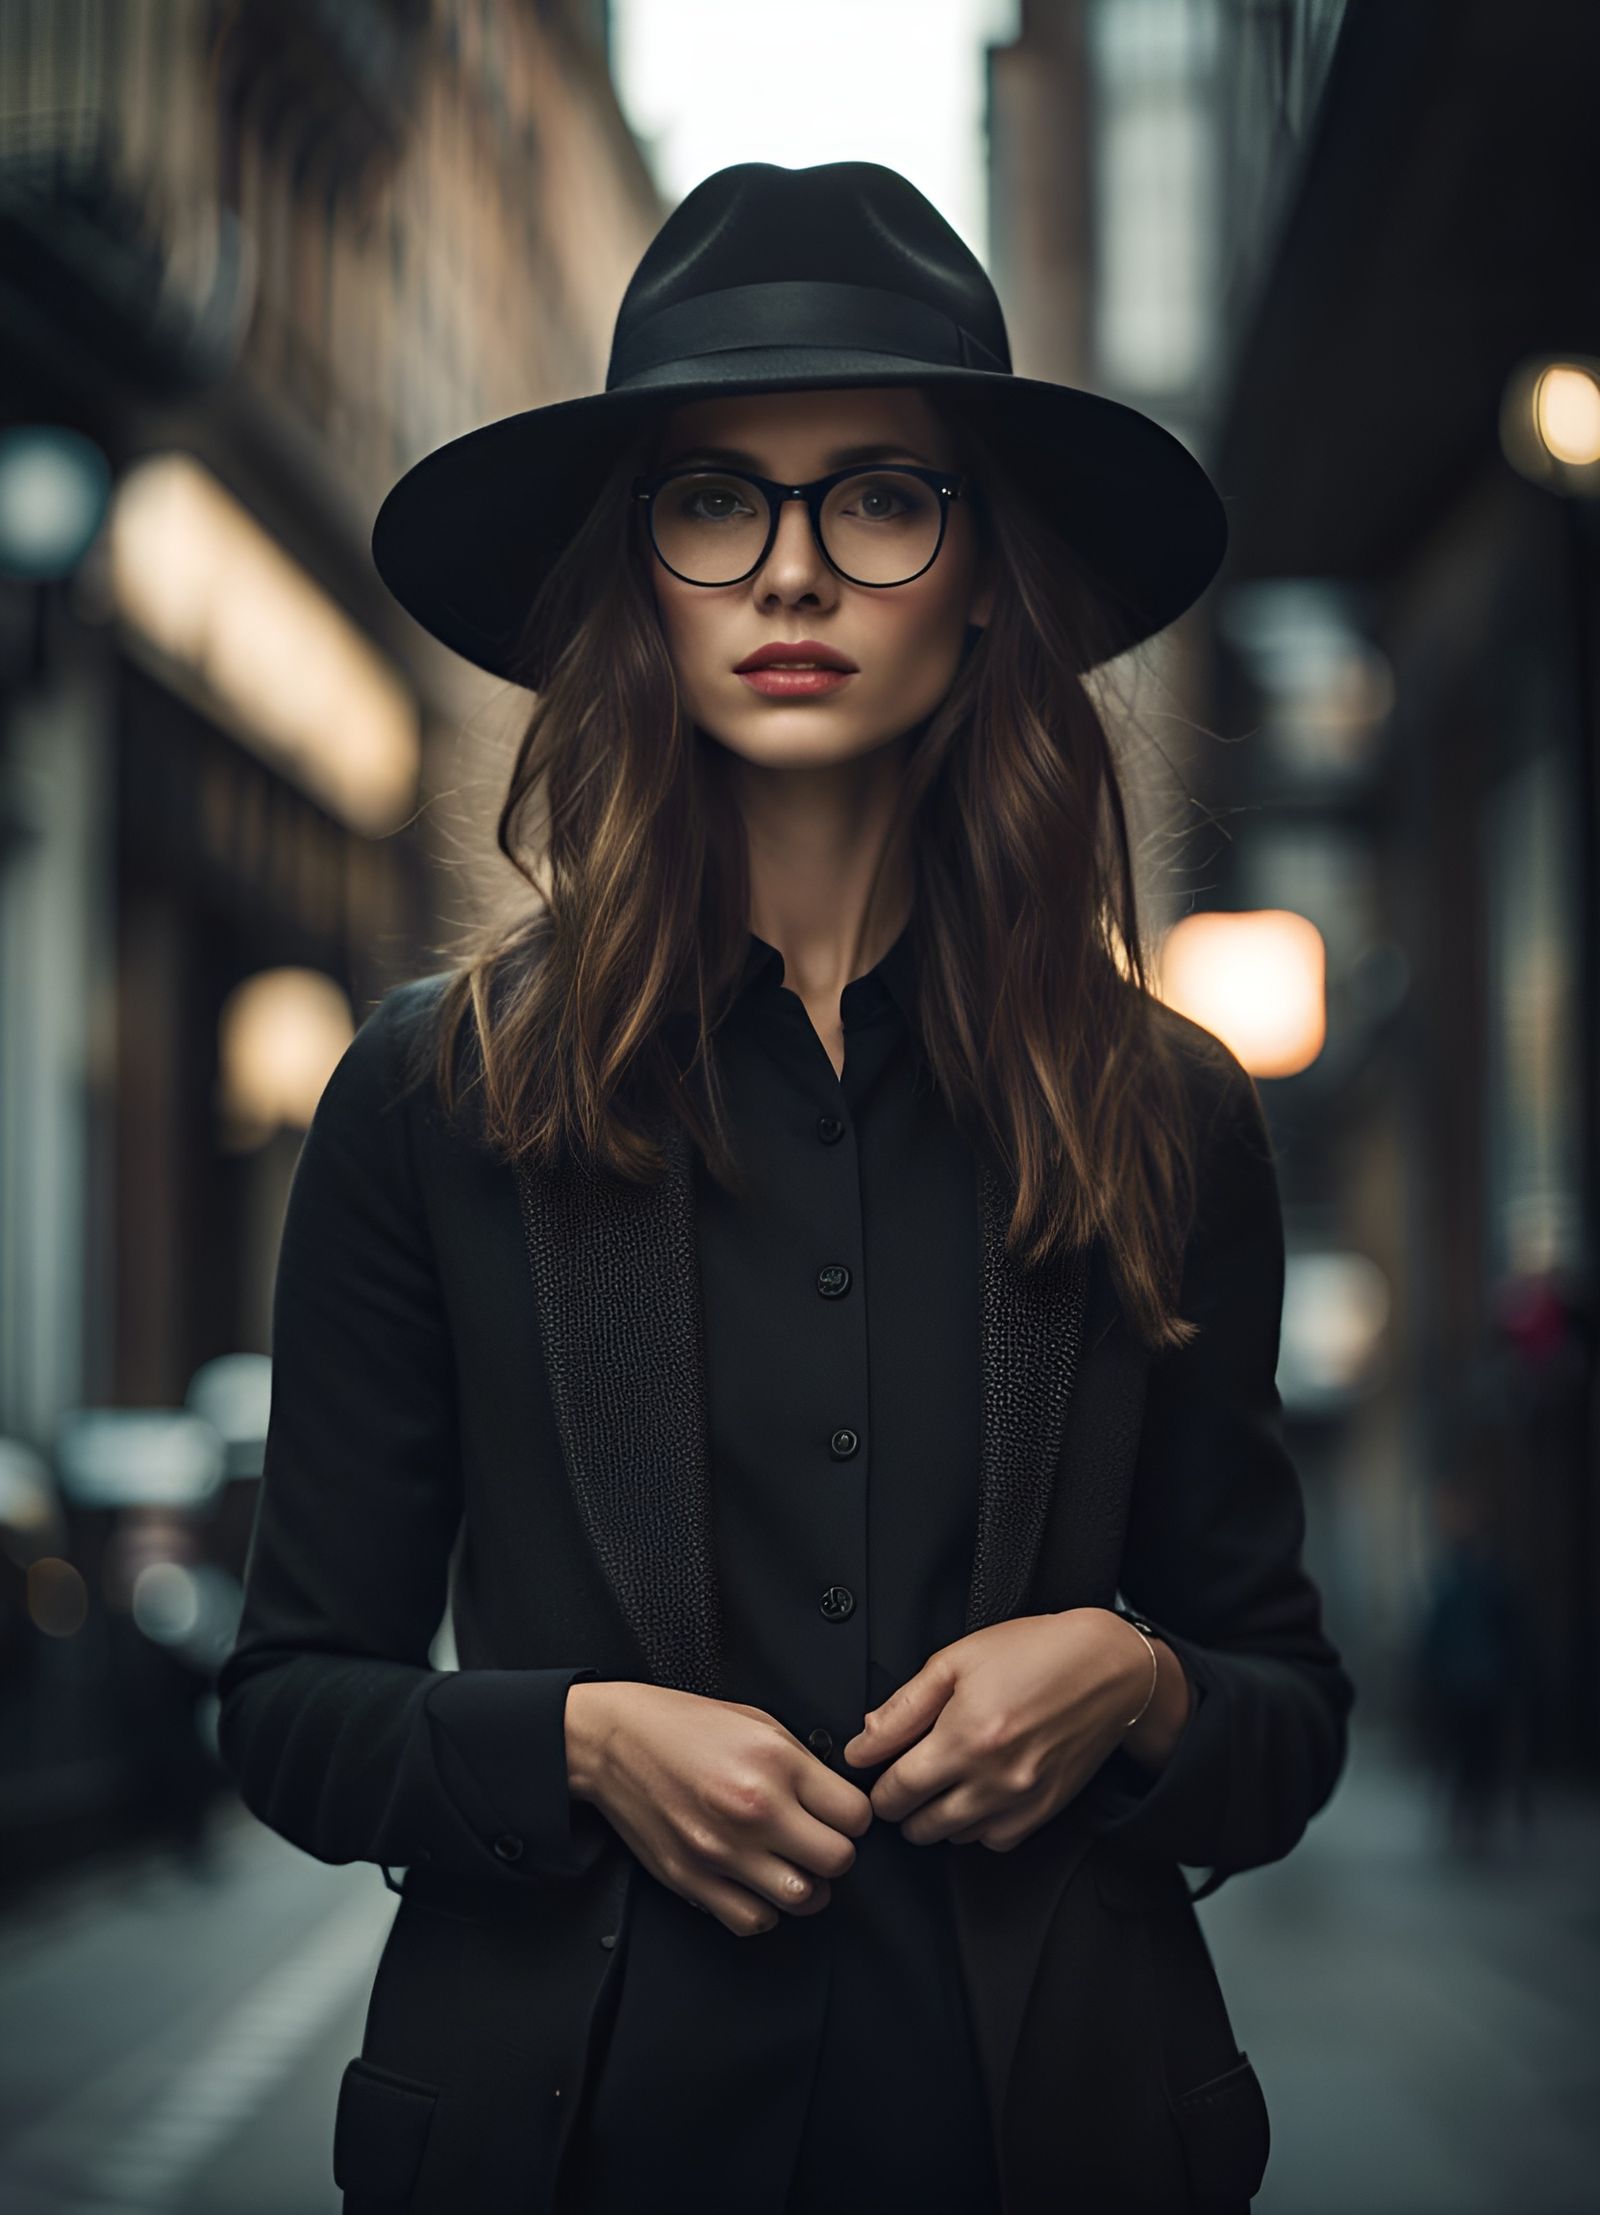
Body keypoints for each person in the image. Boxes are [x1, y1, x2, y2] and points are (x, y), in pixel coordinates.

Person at [216, 162, 1356, 2215]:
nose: (792, 573)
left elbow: (1281, 1716)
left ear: (986, 569)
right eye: (712, 497)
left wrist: (1136, 1685)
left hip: (1047, 2137)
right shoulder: (427, 1097)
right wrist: (570, 1739)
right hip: (569, 2147)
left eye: (882, 495)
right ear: (638, 572)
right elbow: (295, 1709)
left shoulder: (1161, 1108)